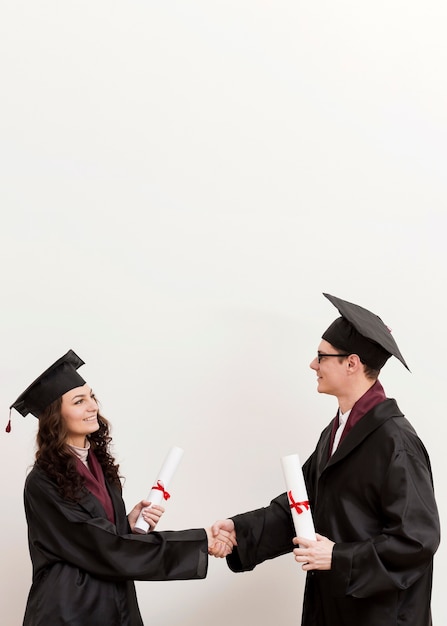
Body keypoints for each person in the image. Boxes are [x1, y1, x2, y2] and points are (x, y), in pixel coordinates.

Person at [210, 293, 440, 626]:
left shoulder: (395, 441)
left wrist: (338, 556)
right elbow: (302, 506)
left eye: (321, 356)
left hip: (381, 616)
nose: (312, 365)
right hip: (333, 608)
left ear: (352, 363)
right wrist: (240, 531)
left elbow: (417, 541)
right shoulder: (336, 432)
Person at [10, 349, 235, 626]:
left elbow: (100, 535)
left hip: (116, 603)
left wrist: (125, 524)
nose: (92, 406)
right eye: (79, 401)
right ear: (55, 416)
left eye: (91, 396)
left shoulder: (100, 465)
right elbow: (101, 546)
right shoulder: (43, 482)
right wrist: (199, 542)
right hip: (69, 610)